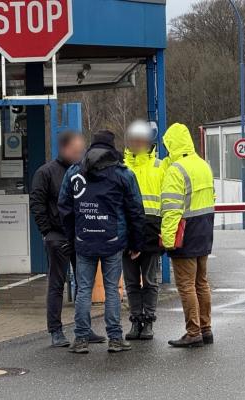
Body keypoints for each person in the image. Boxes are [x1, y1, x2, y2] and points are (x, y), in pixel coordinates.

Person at [58, 130, 146, 354]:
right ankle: (115, 338)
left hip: (84, 239)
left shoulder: (75, 171)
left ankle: (81, 339)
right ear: (111, 147)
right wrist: (136, 244)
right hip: (112, 240)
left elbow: (64, 206)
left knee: (83, 289)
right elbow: (135, 210)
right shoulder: (122, 173)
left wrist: (73, 235)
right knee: (112, 290)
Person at [30, 132, 106, 348]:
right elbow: (37, 204)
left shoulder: (84, 171)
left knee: (84, 284)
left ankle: (84, 328)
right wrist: (47, 232)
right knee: (57, 283)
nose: (79, 153)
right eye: (75, 149)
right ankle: (55, 330)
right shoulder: (45, 173)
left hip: (80, 235)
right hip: (57, 236)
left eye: (81, 149)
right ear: (64, 148)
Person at [160, 123, 215, 348]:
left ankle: (193, 332)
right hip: (204, 231)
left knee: (186, 285)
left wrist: (168, 238)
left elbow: (172, 208)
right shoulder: (203, 165)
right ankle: (206, 328)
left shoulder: (176, 169)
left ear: (172, 144)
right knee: (201, 283)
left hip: (185, 233)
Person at [122, 120, 165, 341]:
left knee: (149, 281)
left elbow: (168, 202)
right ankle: (135, 321)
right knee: (131, 282)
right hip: (127, 233)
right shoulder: (122, 168)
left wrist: (165, 232)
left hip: (151, 231)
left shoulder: (160, 166)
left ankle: (148, 321)